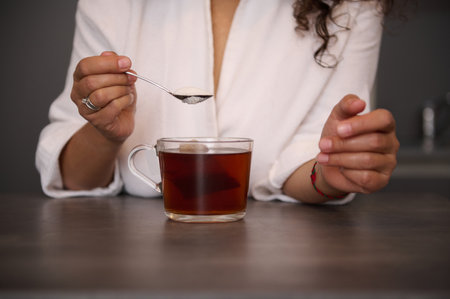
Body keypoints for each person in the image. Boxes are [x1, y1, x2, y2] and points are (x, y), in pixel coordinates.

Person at [36, 0, 399, 204]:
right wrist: (104, 133)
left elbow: (312, 158)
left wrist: (329, 172)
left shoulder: (353, 5)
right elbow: (73, 177)